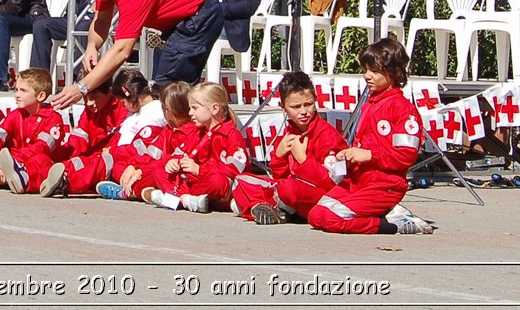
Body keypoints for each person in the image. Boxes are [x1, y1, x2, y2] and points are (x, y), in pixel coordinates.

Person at [49, 0, 223, 110]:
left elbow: (122, 51)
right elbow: (101, 20)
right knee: (165, 90)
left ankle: (214, 131)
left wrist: (82, 87)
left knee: (169, 91)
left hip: (199, 16)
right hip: (183, 17)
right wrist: (92, 46)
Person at [300, 38, 435, 235]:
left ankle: (396, 225)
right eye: (365, 70)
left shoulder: (403, 108)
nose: (367, 76)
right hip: (358, 181)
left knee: (332, 219)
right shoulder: (371, 102)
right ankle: (387, 214)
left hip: (384, 185)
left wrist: (370, 155)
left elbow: (406, 155)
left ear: (395, 72)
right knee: (316, 216)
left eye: (374, 71)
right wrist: (347, 154)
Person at [231, 69, 351, 224]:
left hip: (320, 197)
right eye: (296, 107)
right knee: (241, 180)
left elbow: (333, 182)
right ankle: (266, 207)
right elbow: (279, 176)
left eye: (308, 105)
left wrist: (303, 160)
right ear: (283, 107)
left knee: (288, 188)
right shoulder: (289, 132)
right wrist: (279, 157)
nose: (303, 112)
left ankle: (261, 206)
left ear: (316, 100)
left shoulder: (328, 135)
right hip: (288, 192)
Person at [46, 68, 163, 198]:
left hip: (130, 161)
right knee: (95, 163)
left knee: (101, 165)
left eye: (123, 102)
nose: (89, 103)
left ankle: (66, 179)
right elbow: (117, 137)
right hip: (119, 157)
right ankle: (56, 174)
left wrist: (112, 152)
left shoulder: (154, 113)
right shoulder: (134, 112)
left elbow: (141, 147)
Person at [139, 80, 249, 212]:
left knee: (218, 181)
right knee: (160, 171)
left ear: (214, 109)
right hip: (195, 181)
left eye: (195, 108)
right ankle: (188, 200)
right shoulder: (197, 132)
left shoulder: (231, 134)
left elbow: (235, 168)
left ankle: (178, 199)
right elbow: (180, 153)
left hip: (215, 185)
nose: (190, 112)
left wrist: (199, 169)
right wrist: (173, 162)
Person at [99, 80, 196, 202]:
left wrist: (140, 172)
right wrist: (133, 166)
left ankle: (128, 193)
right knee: (121, 168)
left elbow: (169, 162)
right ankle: (150, 193)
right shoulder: (169, 129)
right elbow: (150, 153)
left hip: (176, 175)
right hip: (159, 170)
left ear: (169, 110)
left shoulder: (191, 131)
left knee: (154, 174)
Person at [0, 69, 70, 194]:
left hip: (33, 162)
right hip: (13, 160)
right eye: (16, 90)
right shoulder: (15, 114)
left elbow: (41, 147)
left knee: (41, 160)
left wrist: (14, 161)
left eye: (23, 91)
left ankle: (8, 179)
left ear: (41, 96)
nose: (17, 95)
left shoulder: (53, 119)